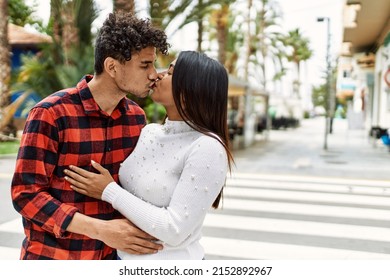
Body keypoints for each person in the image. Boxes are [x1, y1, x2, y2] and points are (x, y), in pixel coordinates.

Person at [10, 12, 170, 260]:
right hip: (52, 260)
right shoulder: (51, 114)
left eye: (153, 64)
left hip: (110, 260)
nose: (154, 74)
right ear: (112, 67)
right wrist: (102, 230)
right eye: (145, 64)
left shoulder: (137, 118)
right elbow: (26, 194)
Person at [63, 51, 234, 260]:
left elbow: (174, 230)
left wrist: (108, 191)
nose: (158, 75)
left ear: (190, 90)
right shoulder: (149, 131)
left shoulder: (207, 147)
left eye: (170, 72)